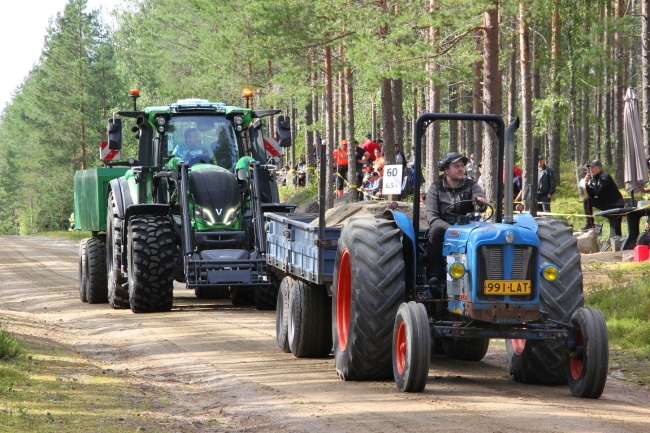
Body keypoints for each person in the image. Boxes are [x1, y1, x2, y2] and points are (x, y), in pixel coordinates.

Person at [426, 152, 487, 288]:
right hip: (443, 228)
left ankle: (483, 276)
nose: (461, 169)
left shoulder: (471, 185)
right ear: (446, 170)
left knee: (485, 235)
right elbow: (432, 218)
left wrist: (481, 202)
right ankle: (435, 276)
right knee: (434, 232)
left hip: (467, 227)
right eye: (456, 166)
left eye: (462, 166)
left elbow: (480, 199)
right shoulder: (435, 188)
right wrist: (451, 230)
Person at [582, 159, 624, 231]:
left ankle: (617, 239)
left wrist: (591, 185)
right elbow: (592, 195)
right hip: (605, 204)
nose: (591, 169)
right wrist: (587, 184)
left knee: (616, 228)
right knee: (587, 200)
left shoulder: (605, 177)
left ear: (599, 168)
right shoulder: (593, 180)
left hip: (615, 204)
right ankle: (590, 223)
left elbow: (600, 191)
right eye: (590, 168)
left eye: (593, 167)